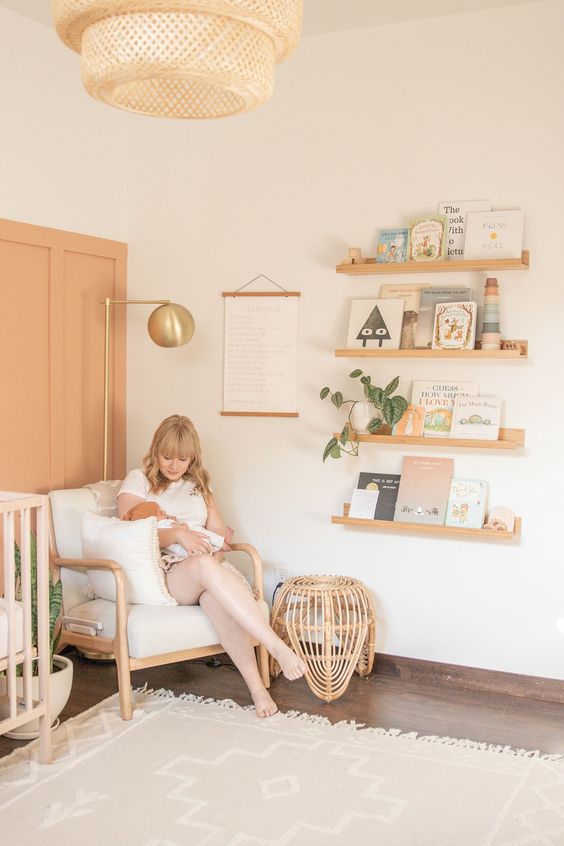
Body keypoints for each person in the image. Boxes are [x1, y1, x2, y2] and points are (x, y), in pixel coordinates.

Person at [117, 414, 306, 718]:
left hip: (205, 567)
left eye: (182, 459)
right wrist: (179, 534)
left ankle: (257, 690)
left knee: (216, 602)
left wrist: (217, 542)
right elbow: (126, 526)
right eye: (166, 457)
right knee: (205, 566)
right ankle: (275, 646)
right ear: (155, 450)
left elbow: (217, 530)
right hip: (166, 570)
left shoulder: (198, 486)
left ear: (192, 458)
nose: (173, 465)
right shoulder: (138, 479)